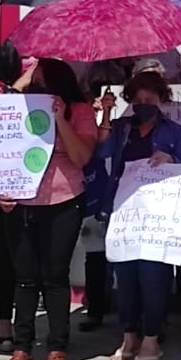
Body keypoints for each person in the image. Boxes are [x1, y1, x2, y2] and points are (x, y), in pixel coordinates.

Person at [0, 58, 98, 360]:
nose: (35, 86)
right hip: (21, 201)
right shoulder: (19, 108)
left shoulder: (80, 111)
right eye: (33, 82)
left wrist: (59, 118)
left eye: (42, 82)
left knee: (55, 276)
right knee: (25, 277)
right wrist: (3, 188)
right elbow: (0, 150)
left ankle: (57, 348)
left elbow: (81, 157)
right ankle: (23, 346)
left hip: (63, 200)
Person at [104, 71, 181, 360]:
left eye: (150, 100)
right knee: (126, 277)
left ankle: (151, 341)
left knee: (154, 278)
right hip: (125, 213)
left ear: (161, 100)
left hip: (158, 218)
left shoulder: (175, 131)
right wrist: (105, 113)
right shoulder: (120, 129)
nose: (143, 104)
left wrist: (170, 160)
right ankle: (129, 338)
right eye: (138, 100)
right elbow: (100, 151)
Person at [0, 40, 28, 351]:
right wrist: (21, 89)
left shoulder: (44, 86)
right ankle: (4, 318)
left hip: (33, 178)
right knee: (8, 249)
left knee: (30, 253)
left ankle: (27, 320)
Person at [79, 60, 128, 330]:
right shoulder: (83, 112)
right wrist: (101, 114)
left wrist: (110, 114)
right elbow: (99, 149)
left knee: (122, 254)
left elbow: (110, 149)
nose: (102, 94)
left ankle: (126, 310)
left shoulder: (128, 118)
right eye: (96, 87)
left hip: (121, 188)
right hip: (92, 190)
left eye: (107, 88)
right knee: (95, 253)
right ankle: (95, 308)